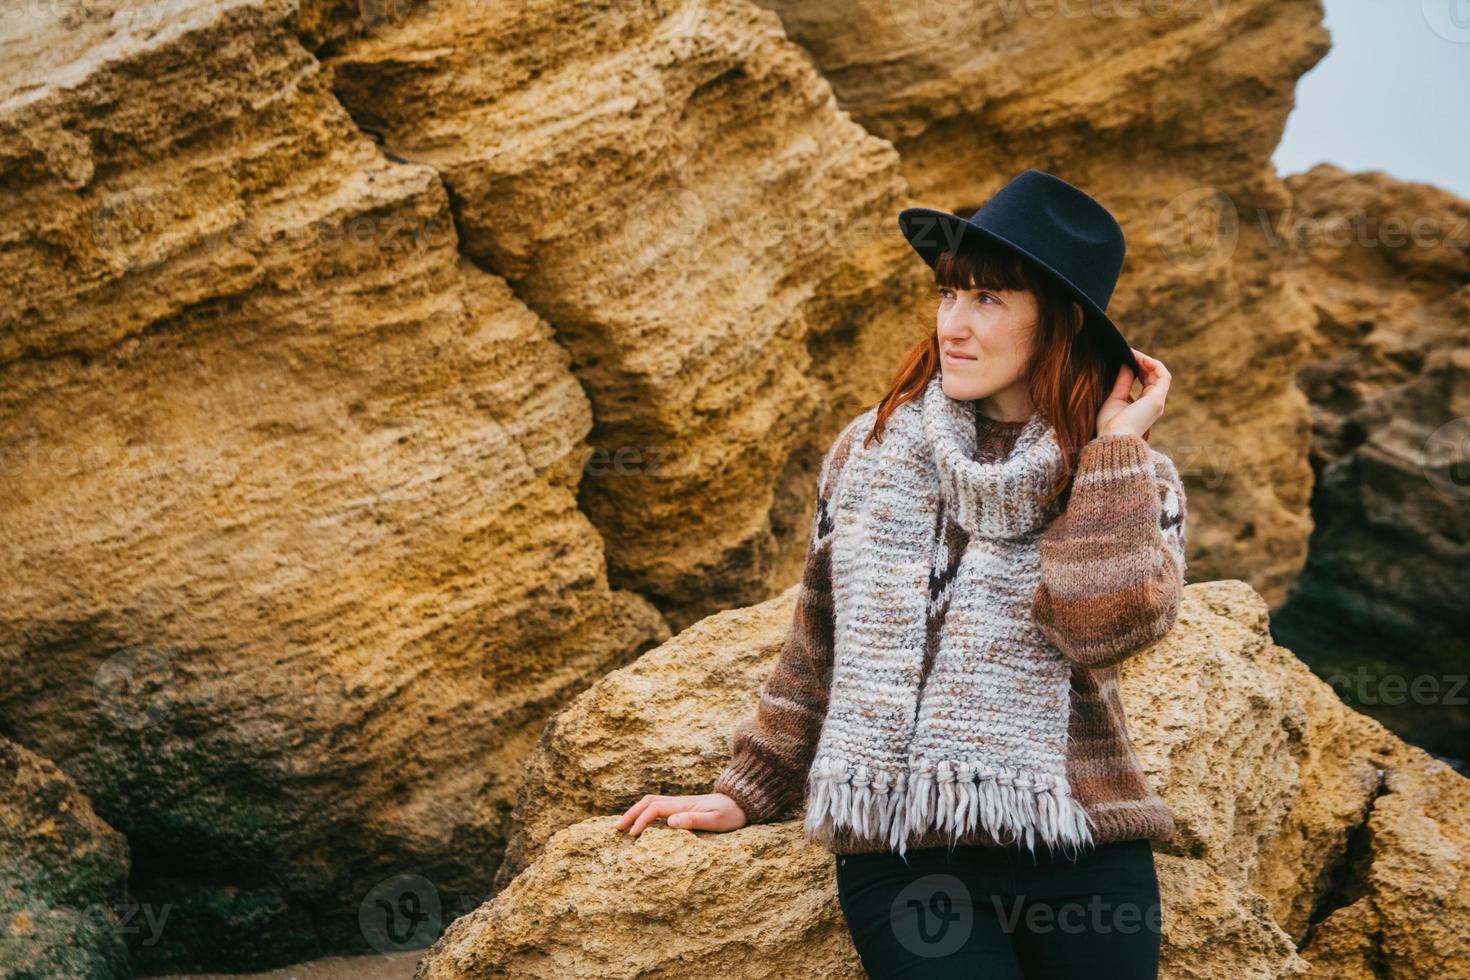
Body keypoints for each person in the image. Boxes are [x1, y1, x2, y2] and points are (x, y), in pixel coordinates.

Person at [616, 169, 1187, 979]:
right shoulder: (870, 454)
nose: (953, 324)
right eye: (949, 295)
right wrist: (750, 787)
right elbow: (819, 639)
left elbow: (1101, 628)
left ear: (1058, 323)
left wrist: (1116, 446)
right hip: (905, 848)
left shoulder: (1132, 477)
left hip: (1083, 844)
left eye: (986, 300)